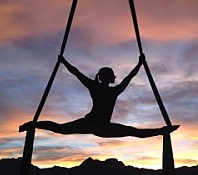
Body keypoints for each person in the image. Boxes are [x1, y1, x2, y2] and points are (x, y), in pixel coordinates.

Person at [23, 54, 179, 138]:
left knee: (60, 128)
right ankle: (162, 131)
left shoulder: (102, 88)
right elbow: (77, 73)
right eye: (112, 75)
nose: (115, 77)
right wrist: (64, 62)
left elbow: (77, 73)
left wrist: (139, 65)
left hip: (98, 126)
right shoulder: (108, 89)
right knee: (134, 132)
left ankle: (163, 131)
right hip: (95, 125)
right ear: (106, 77)